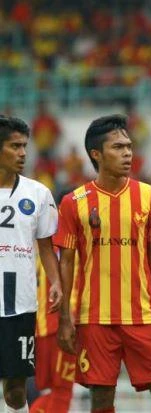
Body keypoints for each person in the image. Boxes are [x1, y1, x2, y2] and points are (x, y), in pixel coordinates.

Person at [55, 115, 151, 413]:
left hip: (142, 314)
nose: (127, 153)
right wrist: (65, 319)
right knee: (101, 397)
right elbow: (67, 262)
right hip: (94, 317)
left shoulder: (150, 196)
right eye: (118, 147)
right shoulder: (73, 202)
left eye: (129, 146)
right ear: (96, 154)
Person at [0, 115, 62, 413]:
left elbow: (47, 247)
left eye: (25, 146)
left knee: (15, 390)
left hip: (20, 304)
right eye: (15, 146)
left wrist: (56, 281)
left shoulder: (39, 194)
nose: (23, 153)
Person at [30, 252, 76, 413]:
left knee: (52, 391)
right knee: (62, 390)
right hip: (60, 328)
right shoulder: (61, 251)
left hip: (41, 330)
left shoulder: (43, 251)